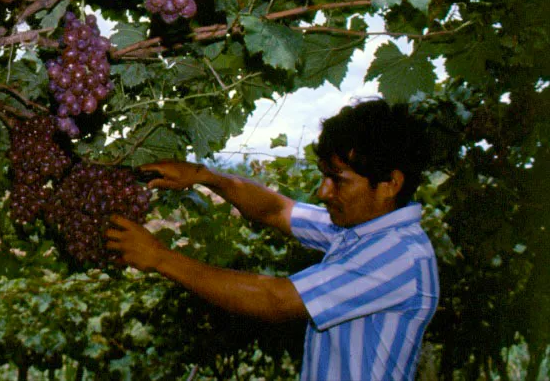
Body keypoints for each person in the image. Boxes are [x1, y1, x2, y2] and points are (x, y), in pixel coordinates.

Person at [106, 99, 438, 381]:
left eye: (338, 180)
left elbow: (274, 300)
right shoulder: (362, 229)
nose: (323, 192)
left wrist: (160, 258)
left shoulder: (399, 254)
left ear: (390, 184)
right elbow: (277, 211)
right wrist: (202, 176)